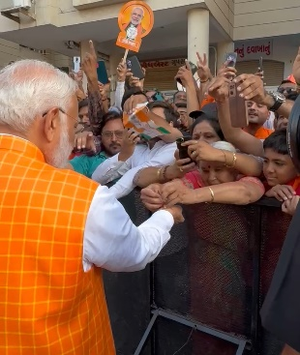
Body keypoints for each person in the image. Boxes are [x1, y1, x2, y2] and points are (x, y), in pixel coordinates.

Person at [0, 59, 184, 354]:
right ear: (50, 123)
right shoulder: (80, 198)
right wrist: (167, 216)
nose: (73, 136)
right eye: (72, 125)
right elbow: (135, 252)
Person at [140, 141, 264, 211]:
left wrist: (194, 195)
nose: (211, 177)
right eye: (205, 170)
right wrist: (156, 191)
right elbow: (176, 186)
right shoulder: (196, 178)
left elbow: (246, 192)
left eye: (219, 169)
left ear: (235, 170)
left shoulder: (245, 178)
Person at [68, 112, 140, 179]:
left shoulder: (139, 156)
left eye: (119, 133)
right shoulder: (90, 159)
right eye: (107, 134)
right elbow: (63, 172)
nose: (114, 139)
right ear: (100, 136)